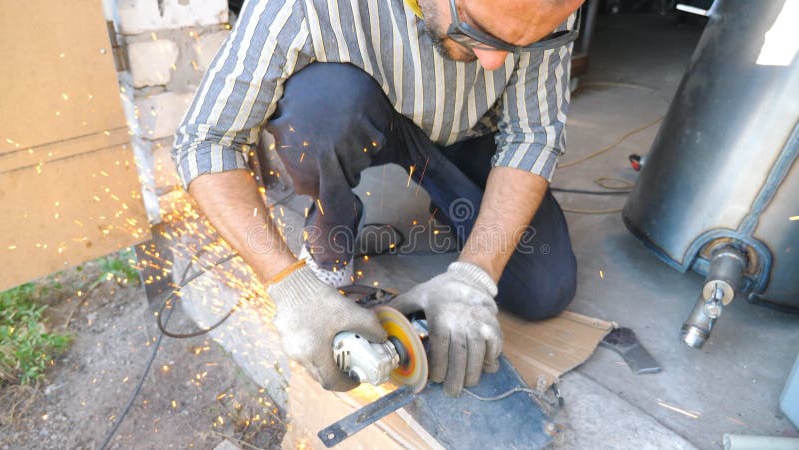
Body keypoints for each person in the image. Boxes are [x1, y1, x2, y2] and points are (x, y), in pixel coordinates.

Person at [173, 0, 583, 397]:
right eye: (477, 28)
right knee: (321, 108)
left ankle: (453, 204)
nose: (494, 62)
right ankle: (332, 225)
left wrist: (475, 275)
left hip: (471, 133)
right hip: (358, 116)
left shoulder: (544, 9)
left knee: (543, 289)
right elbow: (206, 141)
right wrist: (287, 284)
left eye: (519, 44)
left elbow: (533, 136)